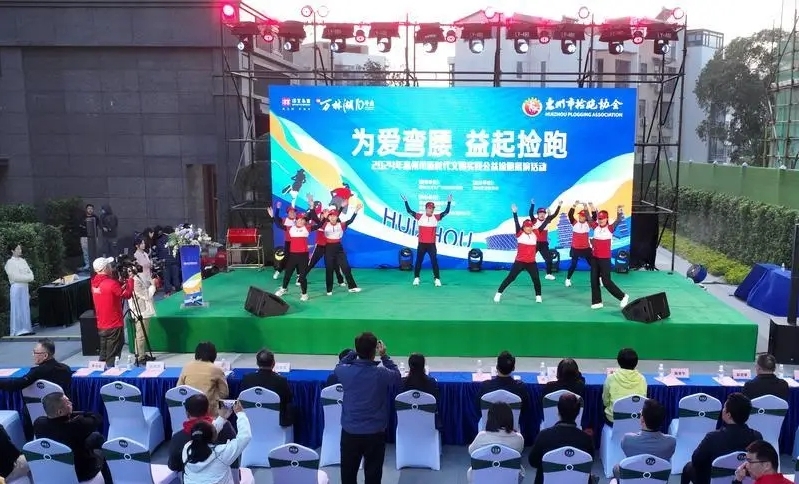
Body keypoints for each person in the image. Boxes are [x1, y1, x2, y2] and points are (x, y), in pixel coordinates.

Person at [334, 332, 401, 484]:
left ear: (357, 350)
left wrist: (354, 352)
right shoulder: (381, 373)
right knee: (373, 476)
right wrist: (384, 356)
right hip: (375, 432)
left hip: (351, 431)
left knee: (348, 475)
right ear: (374, 351)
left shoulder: (345, 371)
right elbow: (397, 376)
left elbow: (338, 366)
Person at [681, 393, 763, 484]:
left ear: (728, 415)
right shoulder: (757, 437)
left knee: (688, 467)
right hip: (745, 480)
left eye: (724, 408)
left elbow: (696, 460)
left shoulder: (712, 437)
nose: (722, 410)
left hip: (712, 480)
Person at [34, 392, 110, 483]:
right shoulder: (77, 425)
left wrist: (68, 414)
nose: (71, 403)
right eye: (67, 403)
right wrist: (77, 413)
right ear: (60, 412)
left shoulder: (38, 423)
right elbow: (97, 417)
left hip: (55, 468)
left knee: (94, 437)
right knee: (99, 441)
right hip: (82, 473)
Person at [528, 393, 594, 484]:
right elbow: (589, 462)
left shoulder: (544, 436)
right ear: (578, 412)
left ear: (558, 410)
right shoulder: (586, 439)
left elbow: (533, 461)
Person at [182, 400, 252, 484]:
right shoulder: (222, 453)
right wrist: (240, 413)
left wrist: (222, 418)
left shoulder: (186, 449)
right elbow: (245, 436)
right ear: (213, 437)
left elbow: (206, 434)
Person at [167, 394, 238, 474]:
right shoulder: (225, 426)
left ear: (187, 413)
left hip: (191, 478)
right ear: (208, 410)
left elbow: (173, 466)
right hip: (223, 475)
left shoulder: (177, 438)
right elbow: (236, 451)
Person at [494, 204, 544, 303]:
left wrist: (550, 215)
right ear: (523, 228)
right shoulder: (519, 234)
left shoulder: (535, 234)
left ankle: (538, 296)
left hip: (531, 263)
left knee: (536, 279)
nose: (529, 228)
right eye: (527, 227)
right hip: (520, 262)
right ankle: (499, 293)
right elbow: (516, 222)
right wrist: (515, 213)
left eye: (530, 226)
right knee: (511, 277)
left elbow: (545, 223)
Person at [614, 399, 676, 479]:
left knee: (616, 468)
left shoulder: (627, 439)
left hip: (633, 477)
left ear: (642, 420)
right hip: (657, 478)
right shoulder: (671, 442)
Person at [401, 194, 452, 287]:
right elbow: (409, 211)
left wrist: (449, 202)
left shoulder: (436, 217)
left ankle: (437, 279)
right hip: (422, 244)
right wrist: (405, 201)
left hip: (431, 245)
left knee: (434, 262)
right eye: (430, 208)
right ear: (426, 208)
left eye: (433, 208)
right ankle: (416, 278)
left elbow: (446, 212)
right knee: (419, 261)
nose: (431, 210)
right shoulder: (419, 216)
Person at [91, 256, 134, 366]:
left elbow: (111, 291)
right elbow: (127, 295)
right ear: (105, 268)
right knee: (113, 356)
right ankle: (111, 373)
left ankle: (101, 372)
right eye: (109, 266)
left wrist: (119, 283)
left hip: (102, 324)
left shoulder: (93, 283)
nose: (111, 267)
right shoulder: (111, 284)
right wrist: (130, 280)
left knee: (104, 354)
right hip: (114, 324)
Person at [467, 402, 525, 484]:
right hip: (509, 478)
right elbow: (518, 452)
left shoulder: (481, 437)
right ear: (510, 418)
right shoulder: (519, 439)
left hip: (483, 478)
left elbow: (471, 452)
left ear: (490, 418)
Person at [239, 349, 294, 427]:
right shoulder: (281, 381)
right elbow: (288, 400)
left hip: (252, 423)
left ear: (257, 363)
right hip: (276, 423)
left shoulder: (247, 379)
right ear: (273, 363)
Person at [589, 206, 630, 309]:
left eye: (602, 218)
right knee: (594, 280)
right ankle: (597, 302)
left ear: (606, 219)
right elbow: (589, 218)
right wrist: (587, 207)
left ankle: (623, 296)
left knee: (606, 281)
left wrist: (619, 211)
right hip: (594, 258)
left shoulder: (610, 228)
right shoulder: (595, 227)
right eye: (599, 218)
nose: (600, 220)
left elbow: (618, 220)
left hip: (604, 259)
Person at [476, 351, 530, 428]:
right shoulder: (520, 388)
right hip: (512, 430)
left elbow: (478, 409)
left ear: (496, 367)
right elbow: (525, 411)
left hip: (488, 429)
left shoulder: (485, 386)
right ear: (513, 368)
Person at [0, 339, 72, 395]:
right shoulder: (66, 368)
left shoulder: (38, 371)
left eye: (35, 353)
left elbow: (17, 384)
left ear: (45, 356)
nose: (33, 355)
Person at [177, 342, 230, 417]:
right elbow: (224, 394)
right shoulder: (217, 370)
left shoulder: (186, 367)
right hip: (210, 413)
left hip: (190, 412)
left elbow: (179, 389)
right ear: (214, 355)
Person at [302, 198, 345, 287]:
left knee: (336, 265)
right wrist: (312, 206)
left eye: (326, 213)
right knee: (311, 263)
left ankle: (340, 281)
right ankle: (301, 279)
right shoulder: (320, 223)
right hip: (320, 247)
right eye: (323, 213)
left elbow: (336, 215)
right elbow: (313, 215)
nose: (324, 215)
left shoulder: (330, 224)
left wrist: (341, 207)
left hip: (330, 247)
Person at [321, 205, 362, 295]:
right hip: (328, 248)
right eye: (331, 216)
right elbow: (319, 224)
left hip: (338, 248)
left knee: (346, 267)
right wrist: (324, 217)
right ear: (329, 217)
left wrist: (356, 211)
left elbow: (350, 221)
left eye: (334, 216)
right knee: (329, 269)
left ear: (337, 217)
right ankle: (329, 290)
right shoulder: (325, 224)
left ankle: (352, 287)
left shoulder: (341, 225)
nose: (333, 217)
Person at [602, 347, 647, 425]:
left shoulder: (610, 378)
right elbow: (642, 401)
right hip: (635, 420)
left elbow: (605, 402)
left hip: (614, 420)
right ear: (636, 362)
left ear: (618, 361)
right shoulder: (642, 379)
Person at [402, 353, 442, 429]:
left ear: (409, 366)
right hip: (428, 426)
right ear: (423, 366)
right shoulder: (432, 383)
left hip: (406, 425)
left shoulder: (402, 383)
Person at [4, 243, 35, 336]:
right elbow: (15, 277)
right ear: (12, 251)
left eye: (20, 249)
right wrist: (27, 278)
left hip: (24, 287)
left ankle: (27, 328)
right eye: (17, 249)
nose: (20, 250)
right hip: (16, 287)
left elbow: (31, 274)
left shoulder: (23, 261)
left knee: (25, 307)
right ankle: (17, 330)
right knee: (17, 308)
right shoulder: (10, 263)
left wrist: (27, 277)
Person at [130, 253, 156, 365]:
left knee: (143, 334)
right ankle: (140, 356)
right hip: (141, 310)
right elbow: (146, 295)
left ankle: (142, 354)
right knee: (140, 334)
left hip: (144, 309)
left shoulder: (138, 277)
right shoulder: (135, 281)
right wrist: (153, 286)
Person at [564, 201, 596, 287]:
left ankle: (599, 279)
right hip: (575, 248)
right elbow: (570, 214)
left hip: (586, 248)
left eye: (582, 216)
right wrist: (574, 205)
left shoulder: (588, 224)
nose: (580, 217)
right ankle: (568, 279)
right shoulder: (574, 223)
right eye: (580, 215)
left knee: (593, 265)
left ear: (585, 217)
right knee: (573, 265)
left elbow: (594, 217)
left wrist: (591, 206)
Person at [529, 199, 562, 280]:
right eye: (540, 213)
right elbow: (530, 213)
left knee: (549, 259)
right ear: (538, 214)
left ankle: (548, 274)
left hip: (544, 243)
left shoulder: (547, 220)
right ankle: (523, 269)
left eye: (543, 213)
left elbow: (555, 214)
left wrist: (559, 205)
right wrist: (532, 204)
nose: (542, 215)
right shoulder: (534, 220)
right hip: (535, 243)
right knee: (529, 257)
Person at [269, 201, 297, 280]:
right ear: (288, 213)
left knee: (298, 258)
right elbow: (277, 221)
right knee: (286, 258)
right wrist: (277, 208)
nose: (293, 213)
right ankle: (278, 271)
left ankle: (298, 275)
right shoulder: (284, 220)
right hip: (288, 242)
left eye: (294, 212)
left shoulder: (298, 220)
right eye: (291, 212)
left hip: (297, 242)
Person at [78, 203, 100, 271]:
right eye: (88, 208)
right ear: (86, 209)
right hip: (84, 237)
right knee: (85, 251)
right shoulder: (82, 217)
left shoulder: (95, 217)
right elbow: (80, 226)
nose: (90, 210)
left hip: (94, 237)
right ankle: (87, 265)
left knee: (94, 251)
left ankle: (95, 265)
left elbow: (97, 226)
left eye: (91, 209)